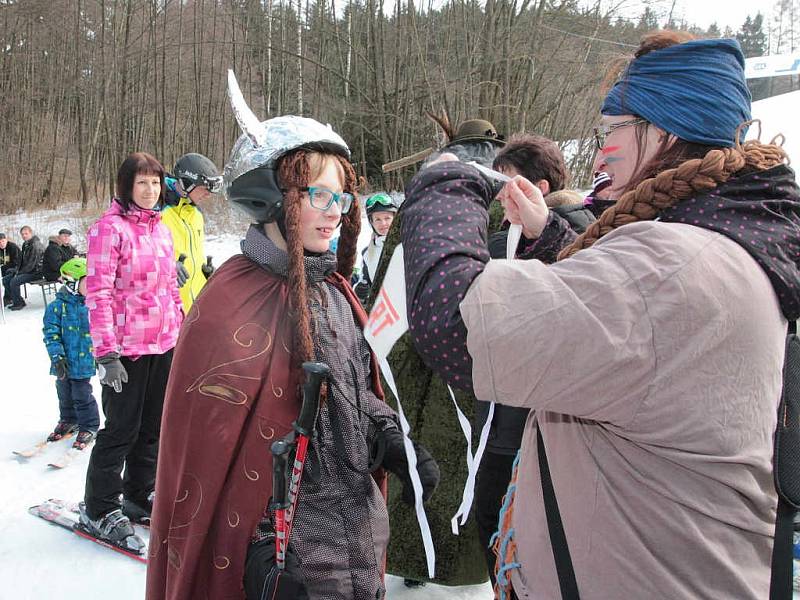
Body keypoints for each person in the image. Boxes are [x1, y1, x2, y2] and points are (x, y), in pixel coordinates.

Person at [399, 32, 797, 599]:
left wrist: (448, 183)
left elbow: (457, 325)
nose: (600, 151)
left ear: (664, 131)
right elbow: (622, 329)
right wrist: (546, 236)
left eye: (611, 130)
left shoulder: (669, 268)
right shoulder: (720, 242)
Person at [146, 109, 439, 600]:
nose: (335, 211)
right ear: (275, 200)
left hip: (353, 535)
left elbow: (351, 388)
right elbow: (211, 457)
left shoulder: (333, 289)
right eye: (317, 195)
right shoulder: (229, 303)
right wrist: (256, 552)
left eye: (341, 198)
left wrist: (391, 438)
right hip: (279, 559)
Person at [365, 118, 506, 589]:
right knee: (426, 452)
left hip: (455, 354)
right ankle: (418, 557)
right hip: (444, 354)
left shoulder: (474, 203)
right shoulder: (458, 202)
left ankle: (442, 560)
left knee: (449, 454)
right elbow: (390, 273)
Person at [469, 133, 595, 583]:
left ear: (538, 189)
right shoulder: (511, 237)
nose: (499, 195)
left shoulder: (581, 232)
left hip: (528, 422)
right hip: (505, 416)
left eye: (507, 183)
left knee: (511, 531)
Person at [79, 152, 183, 554]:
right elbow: (99, 293)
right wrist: (106, 355)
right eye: (141, 183)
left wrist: (180, 329)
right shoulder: (109, 230)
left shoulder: (161, 229)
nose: (150, 190)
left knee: (152, 426)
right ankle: (100, 506)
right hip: (126, 350)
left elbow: (170, 289)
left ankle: (139, 494)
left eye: (155, 182)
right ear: (126, 186)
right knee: (120, 429)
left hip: (163, 344)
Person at [42, 257, 100, 449]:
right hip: (63, 362)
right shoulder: (56, 307)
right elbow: (51, 334)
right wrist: (57, 357)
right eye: (86, 283)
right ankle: (69, 419)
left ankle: (89, 425)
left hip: (84, 361)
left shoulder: (91, 305)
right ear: (71, 283)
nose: (91, 287)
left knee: (82, 394)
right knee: (64, 392)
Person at [162, 153, 222, 313]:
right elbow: (136, 258)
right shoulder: (157, 211)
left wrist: (204, 274)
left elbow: (193, 255)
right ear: (187, 183)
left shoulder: (197, 214)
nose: (208, 194)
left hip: (194, 307)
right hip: (167, 309)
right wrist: (166, 266)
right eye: (204, 188)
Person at [352, 192, 398, 304]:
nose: (383, 223)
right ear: (371, 222)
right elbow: (364, 281)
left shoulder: (406, 245)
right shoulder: (367, 253)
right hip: (386, 313)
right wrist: (360, 293)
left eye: (387, 218)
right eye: (377, 219)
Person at [4, 225, 44, 311]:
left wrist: (18, 273)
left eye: (26, 233)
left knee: (14, 281)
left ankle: (18, 303)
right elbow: (21, 261)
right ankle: (14, 298)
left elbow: (31, 265)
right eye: (22, 234)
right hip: (28, 270)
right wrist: (16, 270)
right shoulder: (25, 244)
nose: (24, 236)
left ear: (31, 233)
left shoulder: (35, 245)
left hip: (36, 272)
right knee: (6, 279)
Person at [0, 233, 21, 305]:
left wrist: (2, 267)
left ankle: (9, 297)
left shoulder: (12, 247)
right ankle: (8, 297)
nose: (1, 243)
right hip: (4, 269)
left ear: (6, 240)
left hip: (16, 268)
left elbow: (16, 262)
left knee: (7, 278)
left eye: (3, 241)